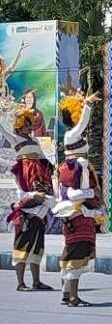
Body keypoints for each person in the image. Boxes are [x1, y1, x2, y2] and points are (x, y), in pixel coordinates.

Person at [51, 92, 105, 307]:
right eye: (79, 109)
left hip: (78, 211)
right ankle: (73, 297)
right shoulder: (73, 141)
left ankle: (67, 294)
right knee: (77, 250)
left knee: (71, 249)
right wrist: (88, 106)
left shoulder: (79, 160)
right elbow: (74, 194)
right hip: (78, 211)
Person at [1, 105, 56, 292]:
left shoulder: (34, 142)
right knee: (22, 244)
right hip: (26, 185)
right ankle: (20, 283)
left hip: (39, 183)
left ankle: (36, 281)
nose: (28, 128)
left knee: (37, 245)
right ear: (19, 125)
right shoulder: (15, 139)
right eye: (25, 125)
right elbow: (2, 129)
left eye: (29, 125)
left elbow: (44, 162)